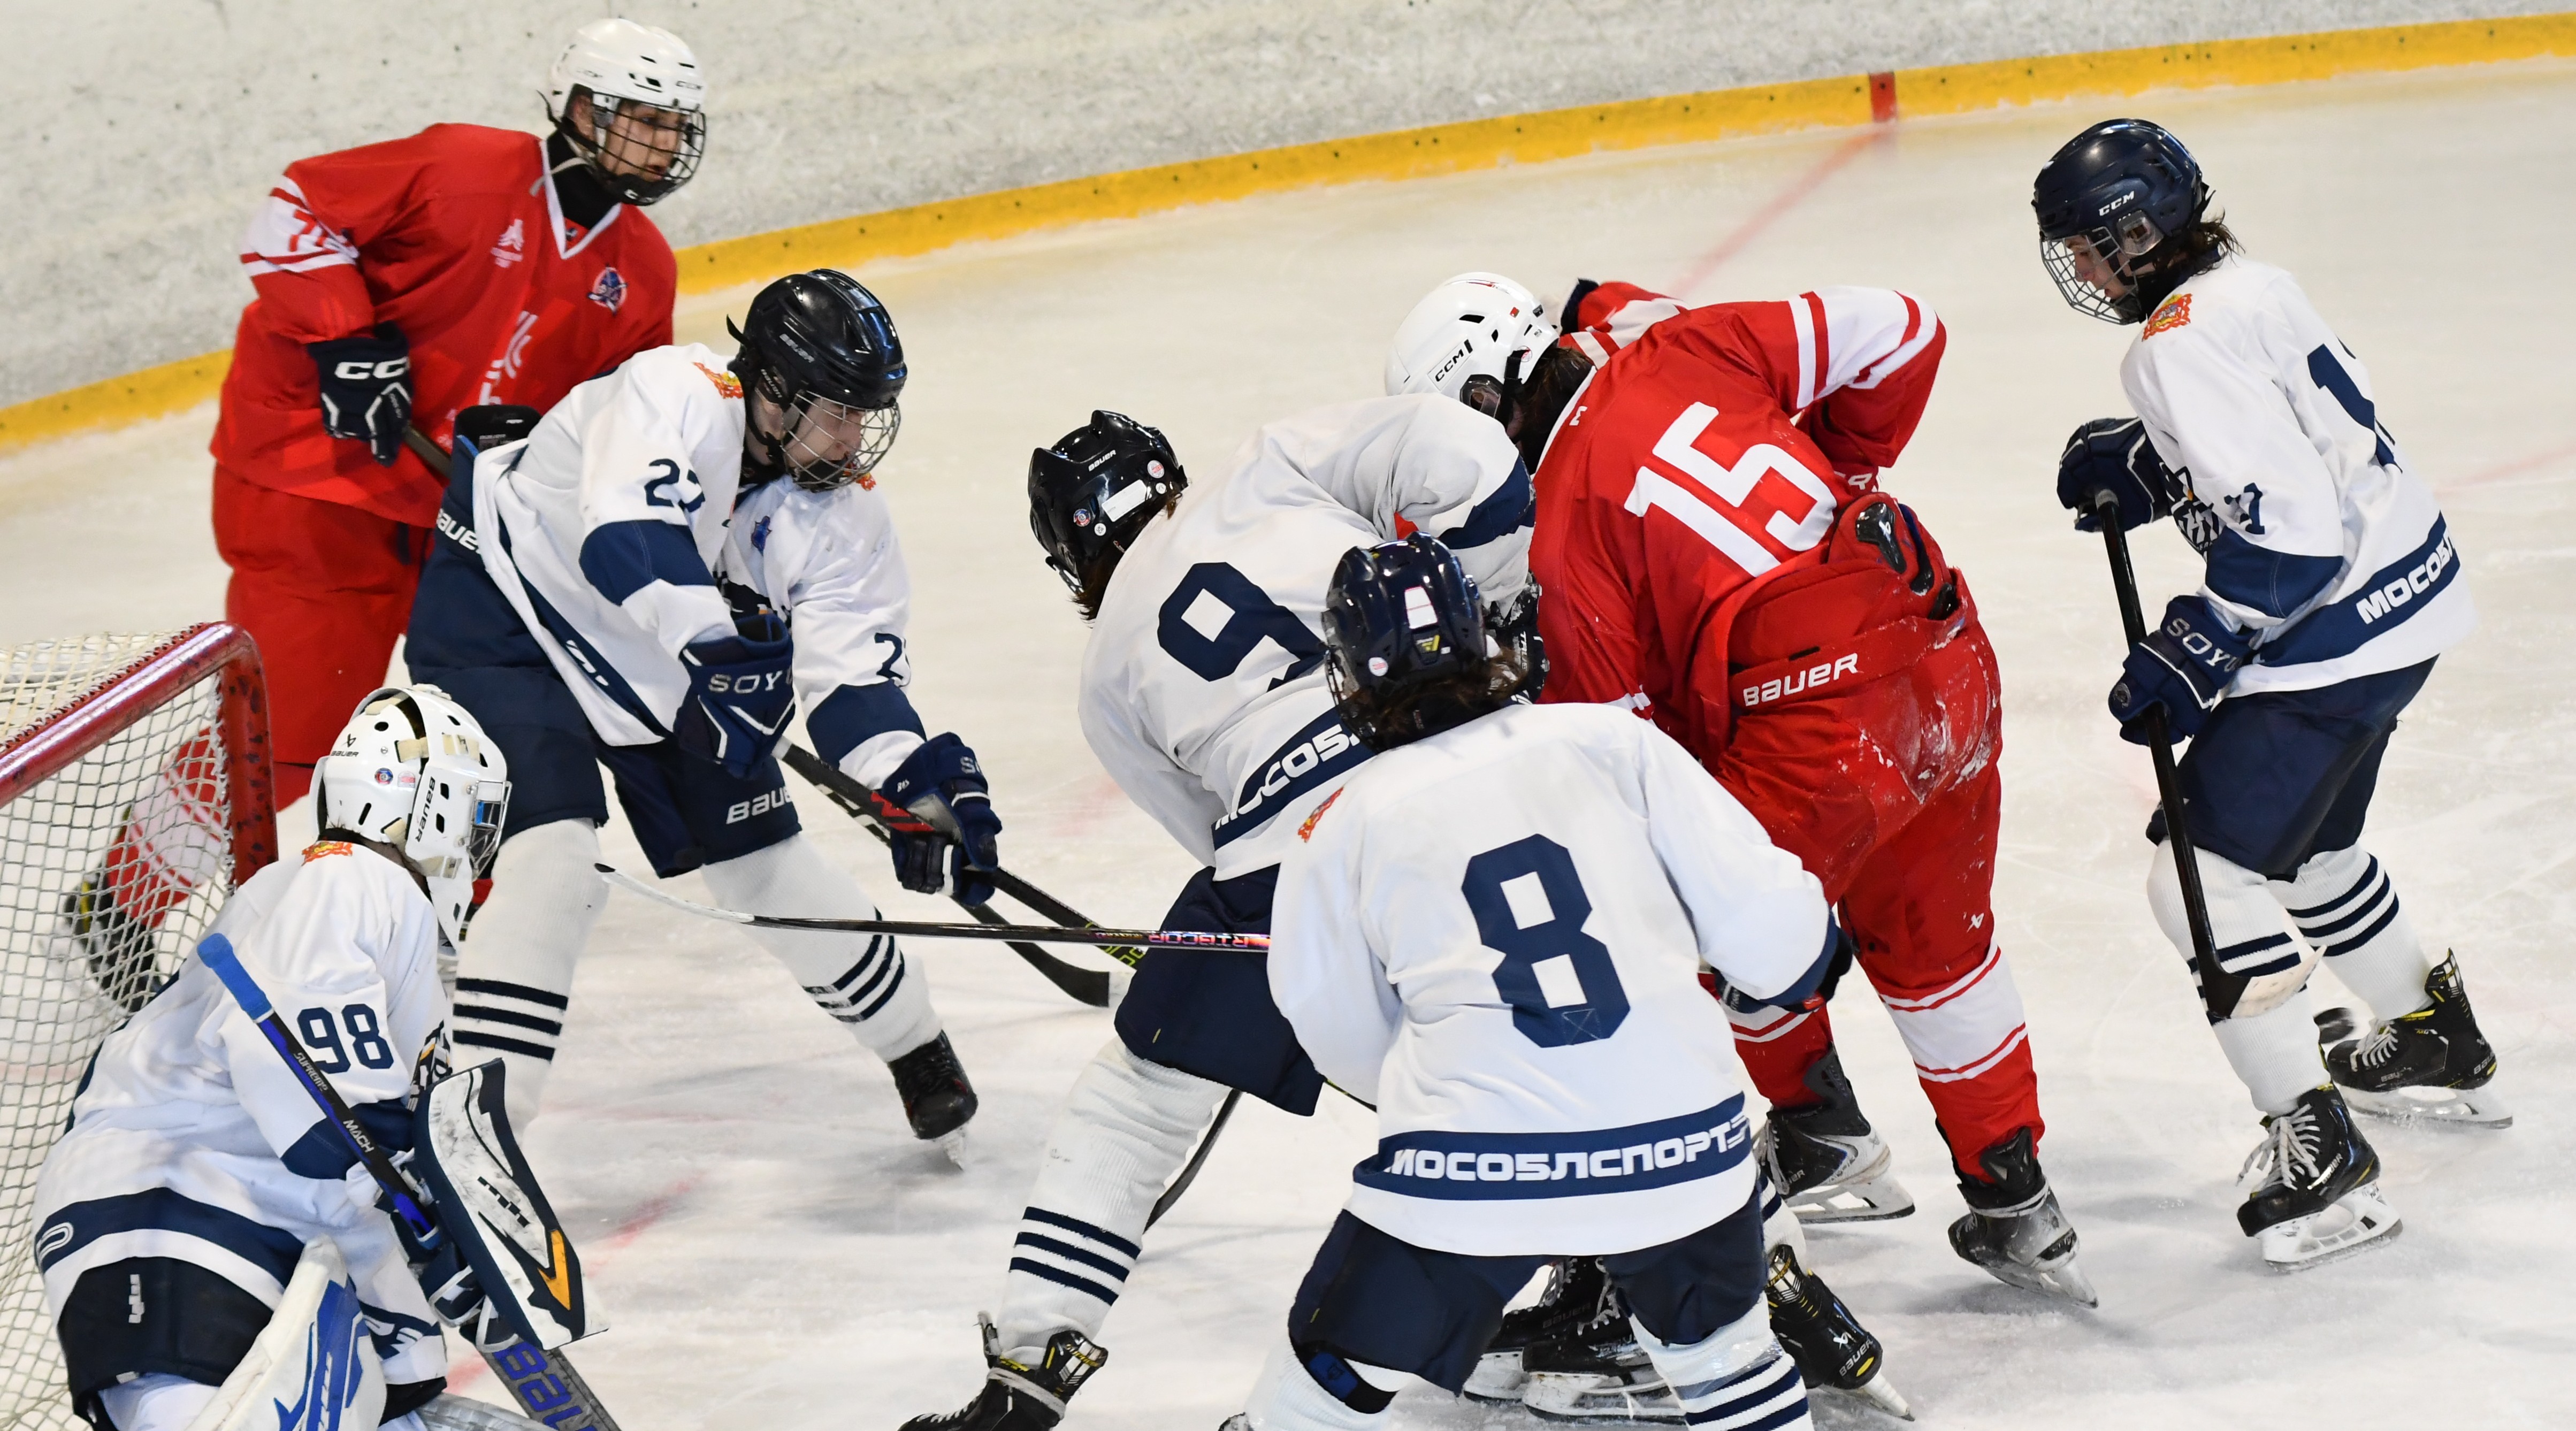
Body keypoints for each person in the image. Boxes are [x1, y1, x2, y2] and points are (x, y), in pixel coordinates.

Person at [1387, 272, 2092, 1307]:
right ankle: (2018, 1200)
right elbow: (1906, 329)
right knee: (1941, 940)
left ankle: (1814, 1135)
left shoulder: (1566, 531)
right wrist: (1839, 475)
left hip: (1822, 726)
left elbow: (1626, 773)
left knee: (1682, 931)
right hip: (1941, 651)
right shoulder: (1684, 343)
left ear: (1490, 398)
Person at [901, 397, 1537, 1431]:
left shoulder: (1108, 667)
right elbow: (1464, 450)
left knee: (1137, 1100)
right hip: (1462, 777)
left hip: (1286, 861)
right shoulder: (1269, 460)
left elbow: (1217, 840)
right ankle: (1720, 1280)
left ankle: (1026, 1377)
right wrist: (1499, 610)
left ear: (1072, 553)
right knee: (1552, 1065)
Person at [1233, 535, 1833, 1431]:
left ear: (1350, 675)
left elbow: (1341, 1038)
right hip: (1683, 1149)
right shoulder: (1611, 740)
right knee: (1731, 1362)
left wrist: (1454, 1084)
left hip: (1470, 1169)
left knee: (1332, 1373)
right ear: (1484, 636)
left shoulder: (1335, 826)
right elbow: (1778, 944)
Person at [2035, 118, 2499, 1268]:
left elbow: (2286, 541)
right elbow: (2298, 446)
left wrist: (2195, 645)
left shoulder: (2169, 349)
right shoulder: (2245, 284)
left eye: (2089, 248)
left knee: (2196, 876)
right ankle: (2429, 1034)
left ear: (2137, 234)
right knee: (2310, 852)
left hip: (2328, 641)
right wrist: (2160, 464)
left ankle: (2316, 1148)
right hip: (2408, 604)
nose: (2080, 271)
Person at [402, 270, 995, 1155]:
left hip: (668, 653)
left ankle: (918, 1050)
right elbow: (624, 535)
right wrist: (720, 655)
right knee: (553, 862)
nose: (856, 437)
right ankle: (479, 1133)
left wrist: (911, 788)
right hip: (510, 613)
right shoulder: (672, 391)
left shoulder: (839, 515)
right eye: (839, 411)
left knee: (765, 864)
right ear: (775, 394)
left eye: (867, 415)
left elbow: (852, 680)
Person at [213, 17, 705, 803]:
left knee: (495, 733)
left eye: (676, 127)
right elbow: (295, 209)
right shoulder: (461, 166)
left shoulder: (643, 271)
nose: (663, 145)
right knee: (289, 735)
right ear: (581, 112)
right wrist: (347, 340)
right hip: (320, 480)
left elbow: (615, 428)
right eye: (646, 120)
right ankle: (120, 908)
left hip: (460, 522)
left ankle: (469, 915)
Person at [32, 686, 510, 1431]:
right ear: (434, 807)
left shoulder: (376, 925)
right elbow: (333, 1123)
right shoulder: (352, 879)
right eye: (477, 820)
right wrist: (421, 1205)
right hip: (169, 1201)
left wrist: (410, 1345)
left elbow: (355, 1163)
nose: (480, 852)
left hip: (265, 1223)